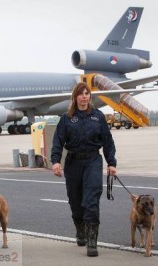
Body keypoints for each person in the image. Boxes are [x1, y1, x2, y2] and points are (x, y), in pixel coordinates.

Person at [50, 82, 117, 257]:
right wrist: (56, 161)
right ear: (75, 97)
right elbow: (57, 141)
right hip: (73, 163)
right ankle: (80, 230)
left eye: (87, 93)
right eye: (81, 94)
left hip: (93, 161)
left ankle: (92, 242)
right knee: (75, 201)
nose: (84, 96)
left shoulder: (98, 116)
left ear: (90, 97)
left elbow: (108, 142)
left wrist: (112, 163)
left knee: (91, 200)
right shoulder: (66, 118)